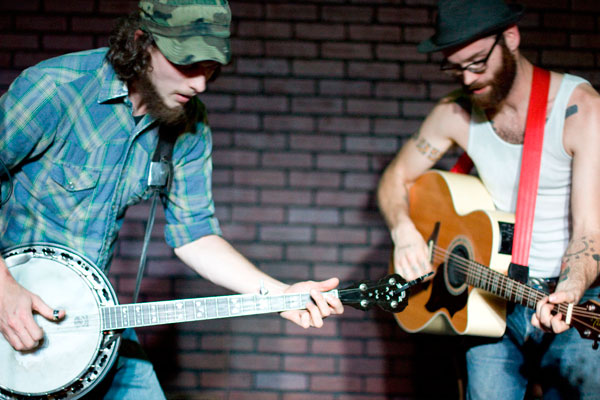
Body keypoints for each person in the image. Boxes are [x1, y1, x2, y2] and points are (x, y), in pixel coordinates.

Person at [0, 0, 344, 398]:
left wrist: (278, 293)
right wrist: (4, 287)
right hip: (11, 304)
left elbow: (194, 234)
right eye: (188, 64)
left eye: (211, 68)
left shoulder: (190, 124)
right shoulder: (56, 89)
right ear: (141, 43)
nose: (200, 84)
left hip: (94, 315)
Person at [377, 0, 600, 398]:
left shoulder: (580, 110)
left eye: (477, 62)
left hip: (571, 295)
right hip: (489, 297)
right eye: (454, 66)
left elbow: (590, 231)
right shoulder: (455, 113)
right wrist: (403, 229)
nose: (466, 78)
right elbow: (394, 178)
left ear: (510, 38)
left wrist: (570, 290)